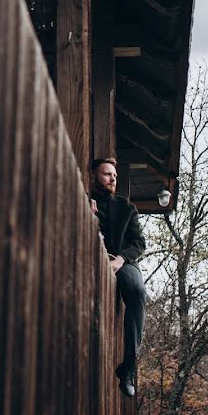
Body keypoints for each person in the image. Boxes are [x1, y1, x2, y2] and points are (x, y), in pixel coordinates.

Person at [90, 157, 146, 398]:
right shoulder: (83, 201)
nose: (112, 179)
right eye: (106, 174)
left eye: (114, 175)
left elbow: (139, 243)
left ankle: (129, 368)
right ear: (93, 176)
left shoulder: (126, 208)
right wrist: (89, 218)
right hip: (90, 254)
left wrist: (120, 260)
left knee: (136, 290)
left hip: (122, 260)